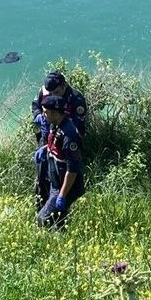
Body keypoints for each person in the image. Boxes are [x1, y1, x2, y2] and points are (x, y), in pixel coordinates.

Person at [30, 71, 87, 207]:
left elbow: (78, 128)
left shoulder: (76, 99)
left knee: (60, 178)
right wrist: (38, 116)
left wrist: (57, 131)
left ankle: (57, 211)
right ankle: (41, 208)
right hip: (45, 139)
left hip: (63, 143)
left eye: (56, 92)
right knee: (41, 175)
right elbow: (35, 105)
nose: (52, 96)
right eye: (50, 93)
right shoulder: (45, 90)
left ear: (64, 86)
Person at [35, 95, 85, 231]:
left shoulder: (69, 136)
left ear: (56, 113)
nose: (43, 115)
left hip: (66, 186)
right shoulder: (55, 125)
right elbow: (56, 147)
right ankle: (60, 240)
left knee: (42, 219)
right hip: (56, 182)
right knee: (59, 221)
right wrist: (45, 149)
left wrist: (62, 195)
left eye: (46, 112)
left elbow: (73, 169)